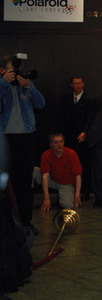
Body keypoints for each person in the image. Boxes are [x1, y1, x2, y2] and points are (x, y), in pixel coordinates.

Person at [0, 54, 45, 232]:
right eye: (13, 70)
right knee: (7, 185)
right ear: (2, 70)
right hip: (6, 140)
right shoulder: (2, 85)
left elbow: (41, 103)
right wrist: (4, 82)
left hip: (26, 138)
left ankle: (25, 223)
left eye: (17, 70)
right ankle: (9, 225)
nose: (16, 74)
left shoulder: (25, 85)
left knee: (25, 183)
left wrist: (29, 86)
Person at [57, 75, 91, 201]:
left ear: (83, 84)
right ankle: (68, 191)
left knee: (83, 165)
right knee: (68, 165)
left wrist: (85, 132)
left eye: (80, 83)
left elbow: (90, 119)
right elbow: (61, 119)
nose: (77, 85)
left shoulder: (88, 100)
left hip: (82, 137)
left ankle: (85, 191)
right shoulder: (65, 99)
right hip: (68, 137)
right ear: (72, 85)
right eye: (75, 83)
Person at [33, 133, 82, 212]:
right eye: (56, 142)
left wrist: (77, 195)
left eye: (61, 141)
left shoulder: (71, 154)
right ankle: (26, 198)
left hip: (66, 184)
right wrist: (46, 198)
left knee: (68, 205)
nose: (59, 144)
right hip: (52, 180)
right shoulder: (46, 155)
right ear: (51, 144)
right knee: (33, 171)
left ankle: (63, 196)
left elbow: (78, 176)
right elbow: (45, 176)